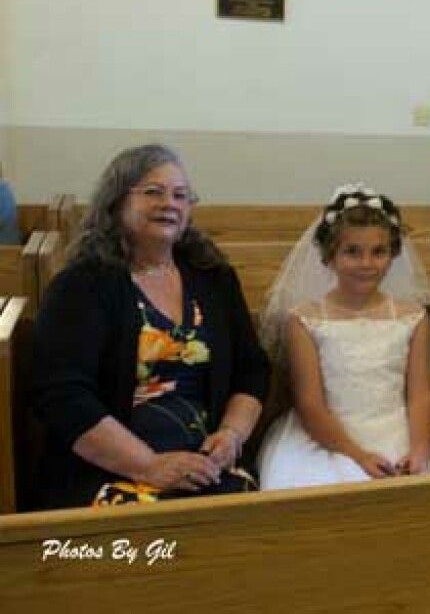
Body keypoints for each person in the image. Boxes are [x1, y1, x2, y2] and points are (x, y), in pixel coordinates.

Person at [31, 144, 268, 508]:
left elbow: (252, 370)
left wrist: (231, 435)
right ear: (116, 202)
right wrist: (149, 465)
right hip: (111, 470)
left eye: (180, 195)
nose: (169, 203)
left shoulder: (213, 277)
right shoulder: (82, 285)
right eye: (153, 192)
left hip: (206, 466)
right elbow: (64, 398)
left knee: (253, 528)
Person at [258, 185, 430, 488]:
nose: (367, 263)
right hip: (333, 440)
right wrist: (358, 456)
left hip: (402, 430)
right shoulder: (306, 320)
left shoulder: (411, 317)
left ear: (393, 255)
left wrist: (420, 451)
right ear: (328, 256)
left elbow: (421, 395)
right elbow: (310, 405)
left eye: (379, 252)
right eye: (352, 252)